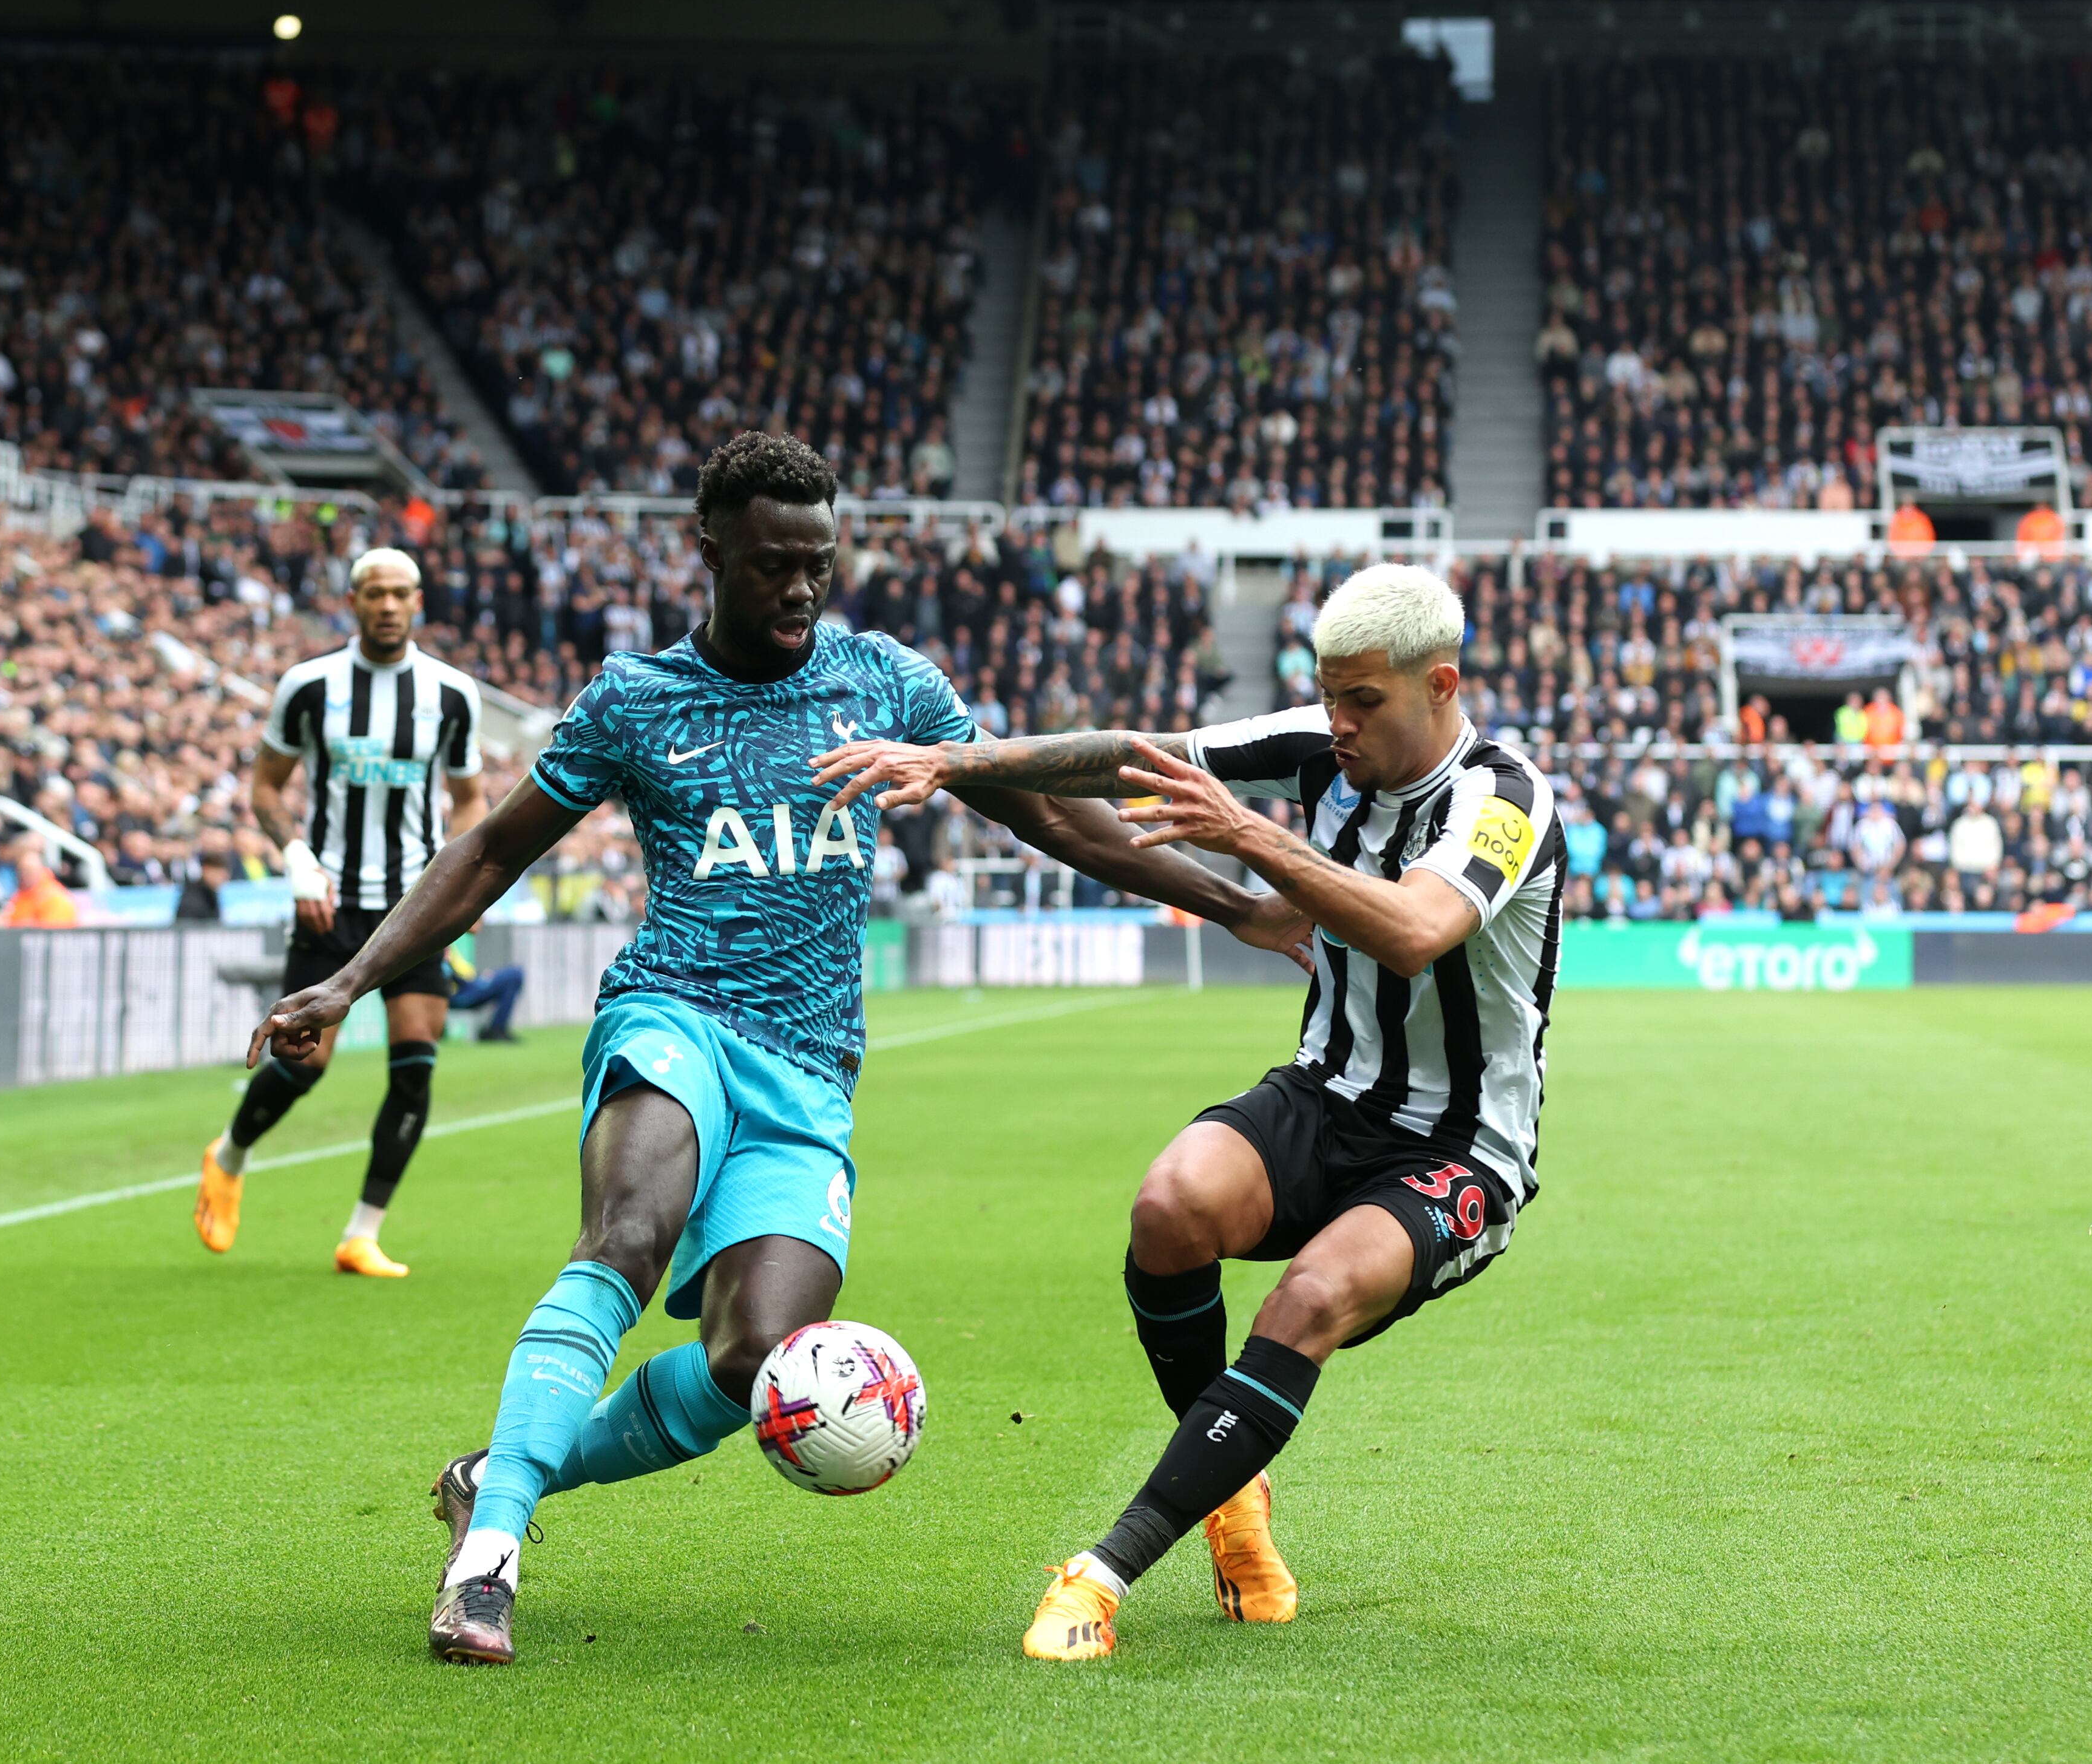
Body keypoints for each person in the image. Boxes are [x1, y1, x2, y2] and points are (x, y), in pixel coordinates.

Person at [240, 433, 1308, 1666]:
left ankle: (495, 1473)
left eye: (818, 561)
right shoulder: (636, 700)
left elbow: (1058, 817)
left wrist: (1236, 904)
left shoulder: (889, 684)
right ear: (712, 553)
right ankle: (491, 1555)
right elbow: (491, 851)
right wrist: (357, 975)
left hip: (809, 1065)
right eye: (771, 565)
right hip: (673, 1014)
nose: (800, 588)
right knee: (625, 1234)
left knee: (755, 1361)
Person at [814, 563, 1563, 1662]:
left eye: (1364, 702)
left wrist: (1255, 838)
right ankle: (1234, 1495)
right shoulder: (1322, 740)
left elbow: (1412, 929)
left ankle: (1100, 1573)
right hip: (1327, 1091)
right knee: (1168, 1205)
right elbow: (1130, 754)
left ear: (1438, 683)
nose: (1339, 723)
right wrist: (951, 758)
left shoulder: (1505, 801)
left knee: (1306, 1297)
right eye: (1328, 695)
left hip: (1457, 1147)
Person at [194, 547, 486, 1278]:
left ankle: (362, 1233)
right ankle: (229, 1153)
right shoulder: (309, 685)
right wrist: (295, 856)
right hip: (329, 903)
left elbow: (470, 796)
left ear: (419, 601)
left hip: (413, 905)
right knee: (307, 1058)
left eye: (400, 594)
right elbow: (266, 787)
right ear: (352, 601)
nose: (387, 606)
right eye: (374, 594)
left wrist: (463, 883)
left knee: (415, 1062)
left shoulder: (452, 693)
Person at [443, 938, 524, 1042]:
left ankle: (497, 1029)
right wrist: (476, 982)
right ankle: (496, 1029)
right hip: (461, 994)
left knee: (512, 980)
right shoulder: (440, 945)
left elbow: (463, 972)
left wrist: (480, 977)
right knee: (514, 975)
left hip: (470, 986)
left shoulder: (449, 943)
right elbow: (450, 974)